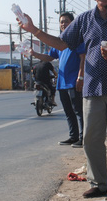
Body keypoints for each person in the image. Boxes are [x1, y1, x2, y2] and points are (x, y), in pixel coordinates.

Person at [17, 0, 107, 198]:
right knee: (90, 138)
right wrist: (34, 30)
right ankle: (99, 184)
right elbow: (62, 43)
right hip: (92, 87)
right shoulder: (85, 19)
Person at [27, 13, 86, 148]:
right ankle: (73, 136)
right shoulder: (59, 41)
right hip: (62, 82)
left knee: (78, 111)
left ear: (73, 23)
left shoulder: (77, 39)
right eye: (61, 22)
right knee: (68, 111)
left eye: (66, 21)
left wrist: (80, 77)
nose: (63, 24)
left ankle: (83, 138)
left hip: (74, 81)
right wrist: (35, 54)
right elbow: (49, 57)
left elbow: (83, 58)